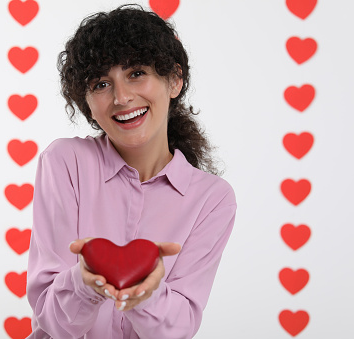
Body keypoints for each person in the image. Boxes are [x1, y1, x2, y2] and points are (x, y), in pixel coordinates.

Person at [26, 4, 236, 339]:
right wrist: (85, 281)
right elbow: (52, 323)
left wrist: (147, 293)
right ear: (87, 103)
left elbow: (178, 328)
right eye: (100, 84)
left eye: (136, 73)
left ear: (174, 80)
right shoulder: (64, 162)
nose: (122, 97)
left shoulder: (212, 198)